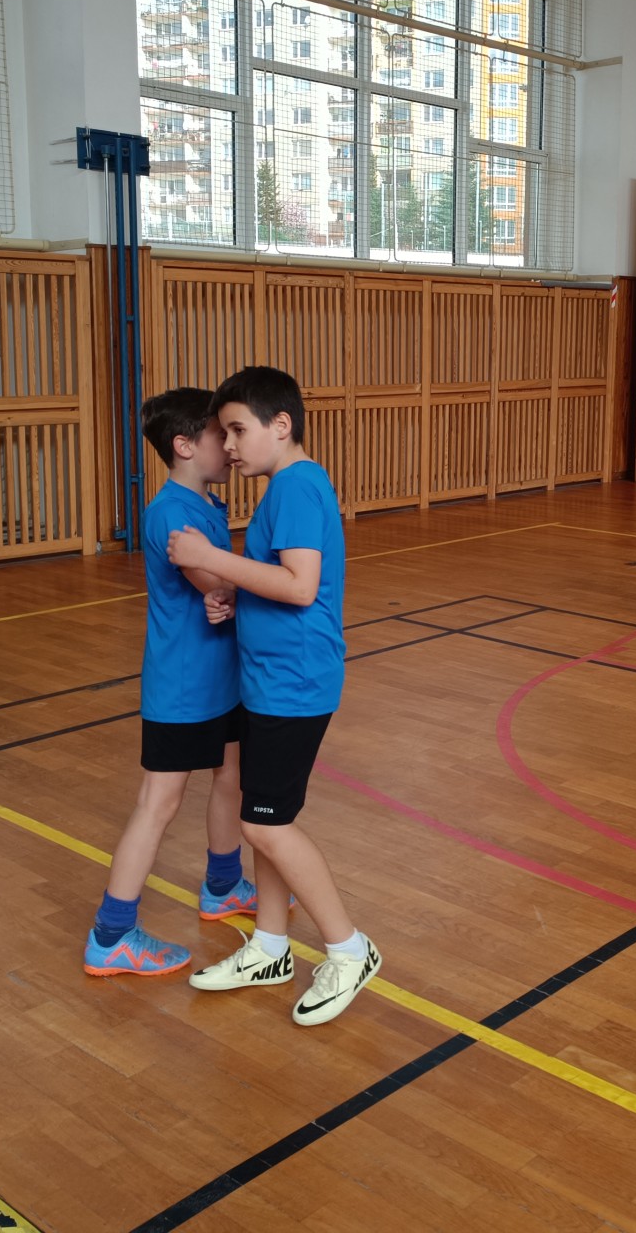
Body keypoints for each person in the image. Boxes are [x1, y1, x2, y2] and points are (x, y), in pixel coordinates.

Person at [168, 366, 380, 1026]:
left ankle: (349, 949)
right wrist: (236, 595)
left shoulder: (296, 486)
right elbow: (279, 581)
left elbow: (300, 585)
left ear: (280, 425)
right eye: (223, 433)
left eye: (237, 430)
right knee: (264, 815)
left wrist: (211, 558)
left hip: (295, 685)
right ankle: (269, 947)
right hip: (269, 680)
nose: (229, 445)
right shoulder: (285, 488)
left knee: (264, 822)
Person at [83, 388, 262, 977]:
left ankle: (223, 885)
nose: (230, 445)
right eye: (219, 435)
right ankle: (111, 934)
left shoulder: (206, 503)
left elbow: (223, 589)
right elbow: (216, 581)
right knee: (158, 802)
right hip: (182, 688)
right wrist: (250, 585)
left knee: (230, 777)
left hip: (223, 679)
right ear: (184, 446)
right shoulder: (170, 512)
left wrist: (229, 593)